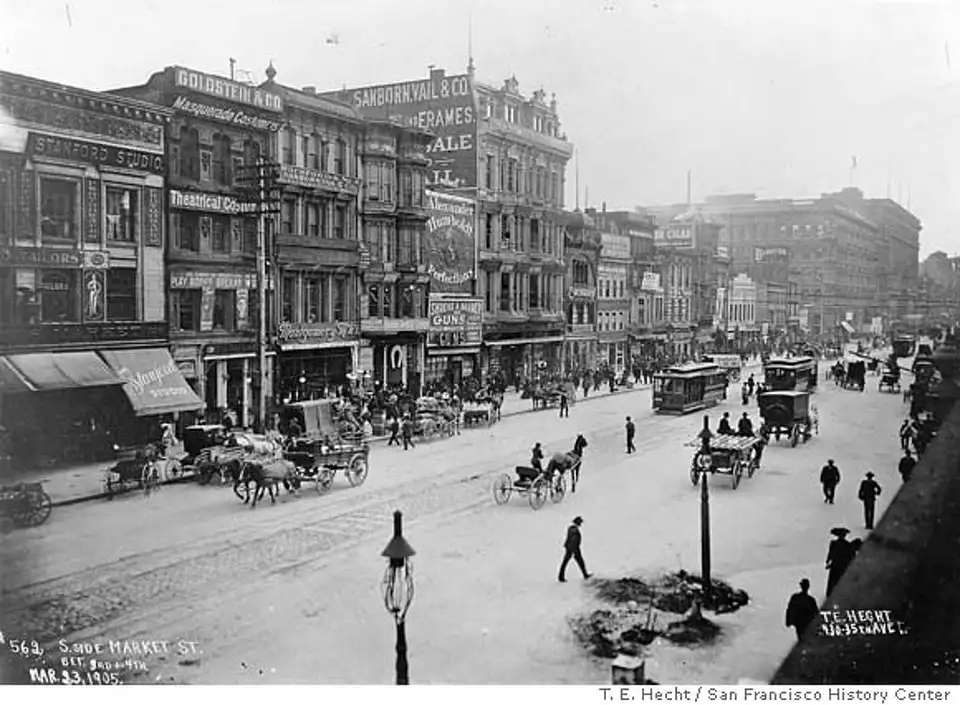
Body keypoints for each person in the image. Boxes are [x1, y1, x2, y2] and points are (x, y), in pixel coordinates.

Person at [558, 516, 592, 582]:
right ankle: (561, 577)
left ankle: (561, 576)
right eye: (580, 522)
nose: (581, 524)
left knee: (567, 562)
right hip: (573, 548)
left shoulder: (572, 528)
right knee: (574, 562)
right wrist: (573, 550)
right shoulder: (574, 529)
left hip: (571, 547)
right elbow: (573, 540)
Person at [825, 527, 855, 595]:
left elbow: (830, 554)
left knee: (834, 581)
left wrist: (828, 561)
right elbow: (851, 556)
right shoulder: (847, 545)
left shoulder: (834, 543)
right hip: (842, 567)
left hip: (836, 566)